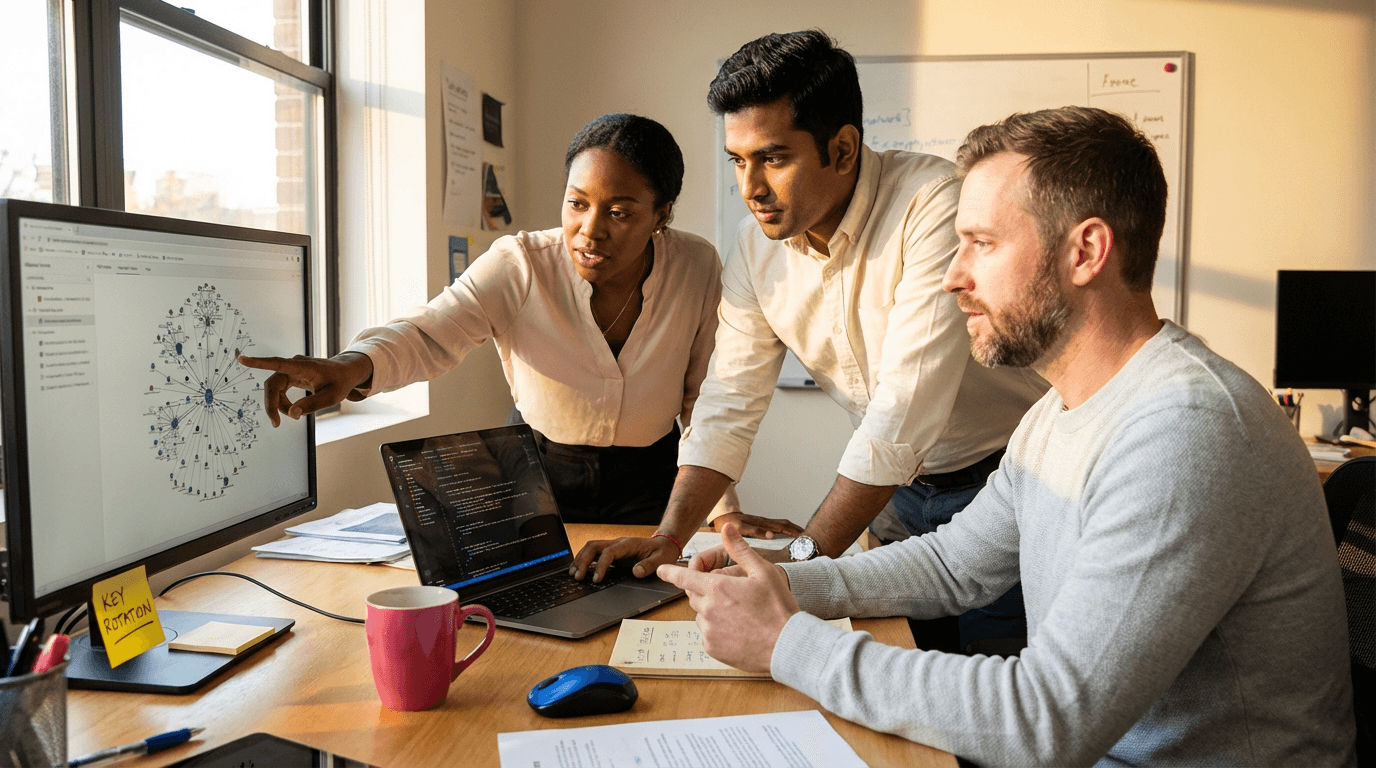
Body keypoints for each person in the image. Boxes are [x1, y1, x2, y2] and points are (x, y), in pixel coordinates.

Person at [659, 106, 1356, 765]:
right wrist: (788, 582)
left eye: (981, 245)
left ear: (1085, 252)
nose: (953, 277)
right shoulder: (1057, 413)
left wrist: (786, 642)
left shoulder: (1187, 431)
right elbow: (954, 566)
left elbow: (1046, 721)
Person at [572, 31, 1046, 654]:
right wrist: (669, 538)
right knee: (909, 669)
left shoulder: (933, 205)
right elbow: (727, 403)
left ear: (843, 148)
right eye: (738, 160)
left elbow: (903, 411)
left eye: (772, 158)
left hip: (1006, 486)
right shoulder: (753, 246)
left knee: (994, 695)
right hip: (898, 498)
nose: (750, 187)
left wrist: (800, 565)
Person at [241, 113, 767, 526]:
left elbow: (704, 398)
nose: (590, 229)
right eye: (577, 203)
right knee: (538, 616)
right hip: (535, 472)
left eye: (620, 212)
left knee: (645, 612)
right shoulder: (520, 264)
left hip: (653, 477)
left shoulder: (696, 265)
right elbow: (432, 331)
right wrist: (352, 365)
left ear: (663, 214)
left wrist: (724, 514)